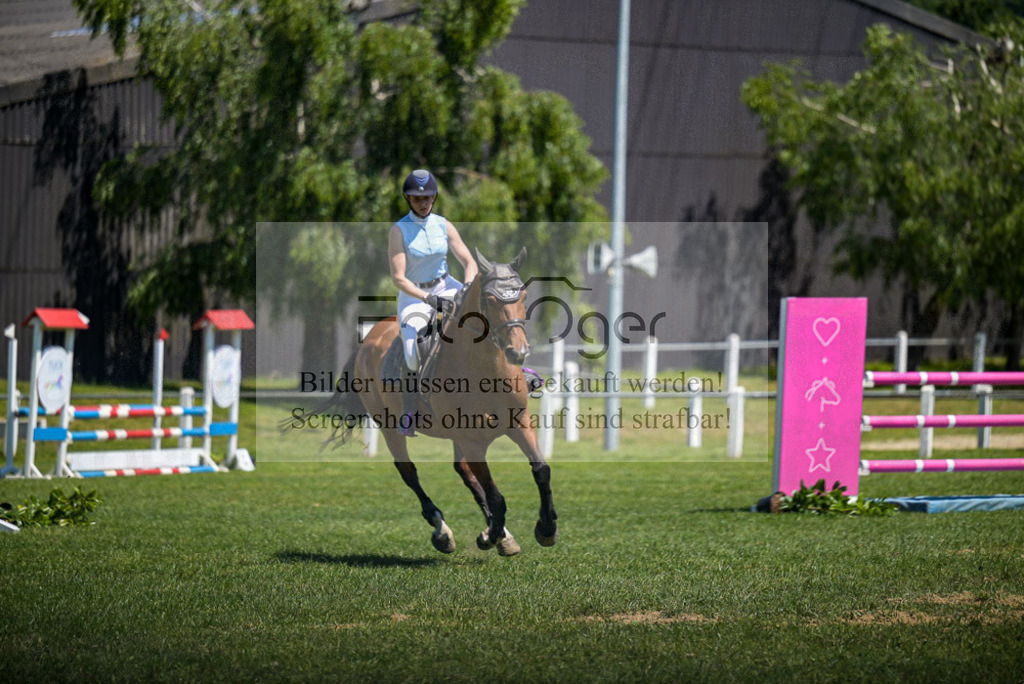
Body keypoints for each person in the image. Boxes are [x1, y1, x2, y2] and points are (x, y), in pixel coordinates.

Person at [388, 169, 478, 437]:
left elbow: (469, 262)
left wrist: (467, 288)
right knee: (411, 352)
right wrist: (427, 298)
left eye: (428, 197)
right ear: (408, 199)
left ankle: (517, 372)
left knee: (482, 318)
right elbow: (399, 279)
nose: (423, 203)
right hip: (415, 295)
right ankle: (409, 410)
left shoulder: (444, 225)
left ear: (434, 197)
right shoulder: (398, 231)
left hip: (446, 285)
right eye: (417, 199)